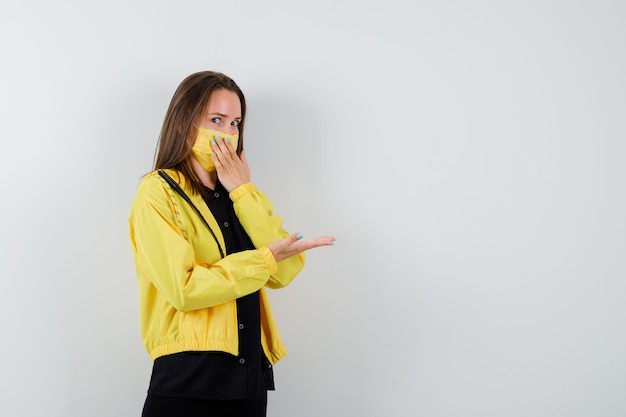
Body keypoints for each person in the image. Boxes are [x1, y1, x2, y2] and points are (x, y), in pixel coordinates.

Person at [129, 71, 334, 417]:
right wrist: (263, 261)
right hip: (187, 382)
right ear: (183, 124)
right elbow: (184, 288)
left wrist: (242, 191)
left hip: (248, 382)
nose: (227, 134)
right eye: (216, 120)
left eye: (235, 123)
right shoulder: (157, 192)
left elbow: (282, 272)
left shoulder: (241, 194)